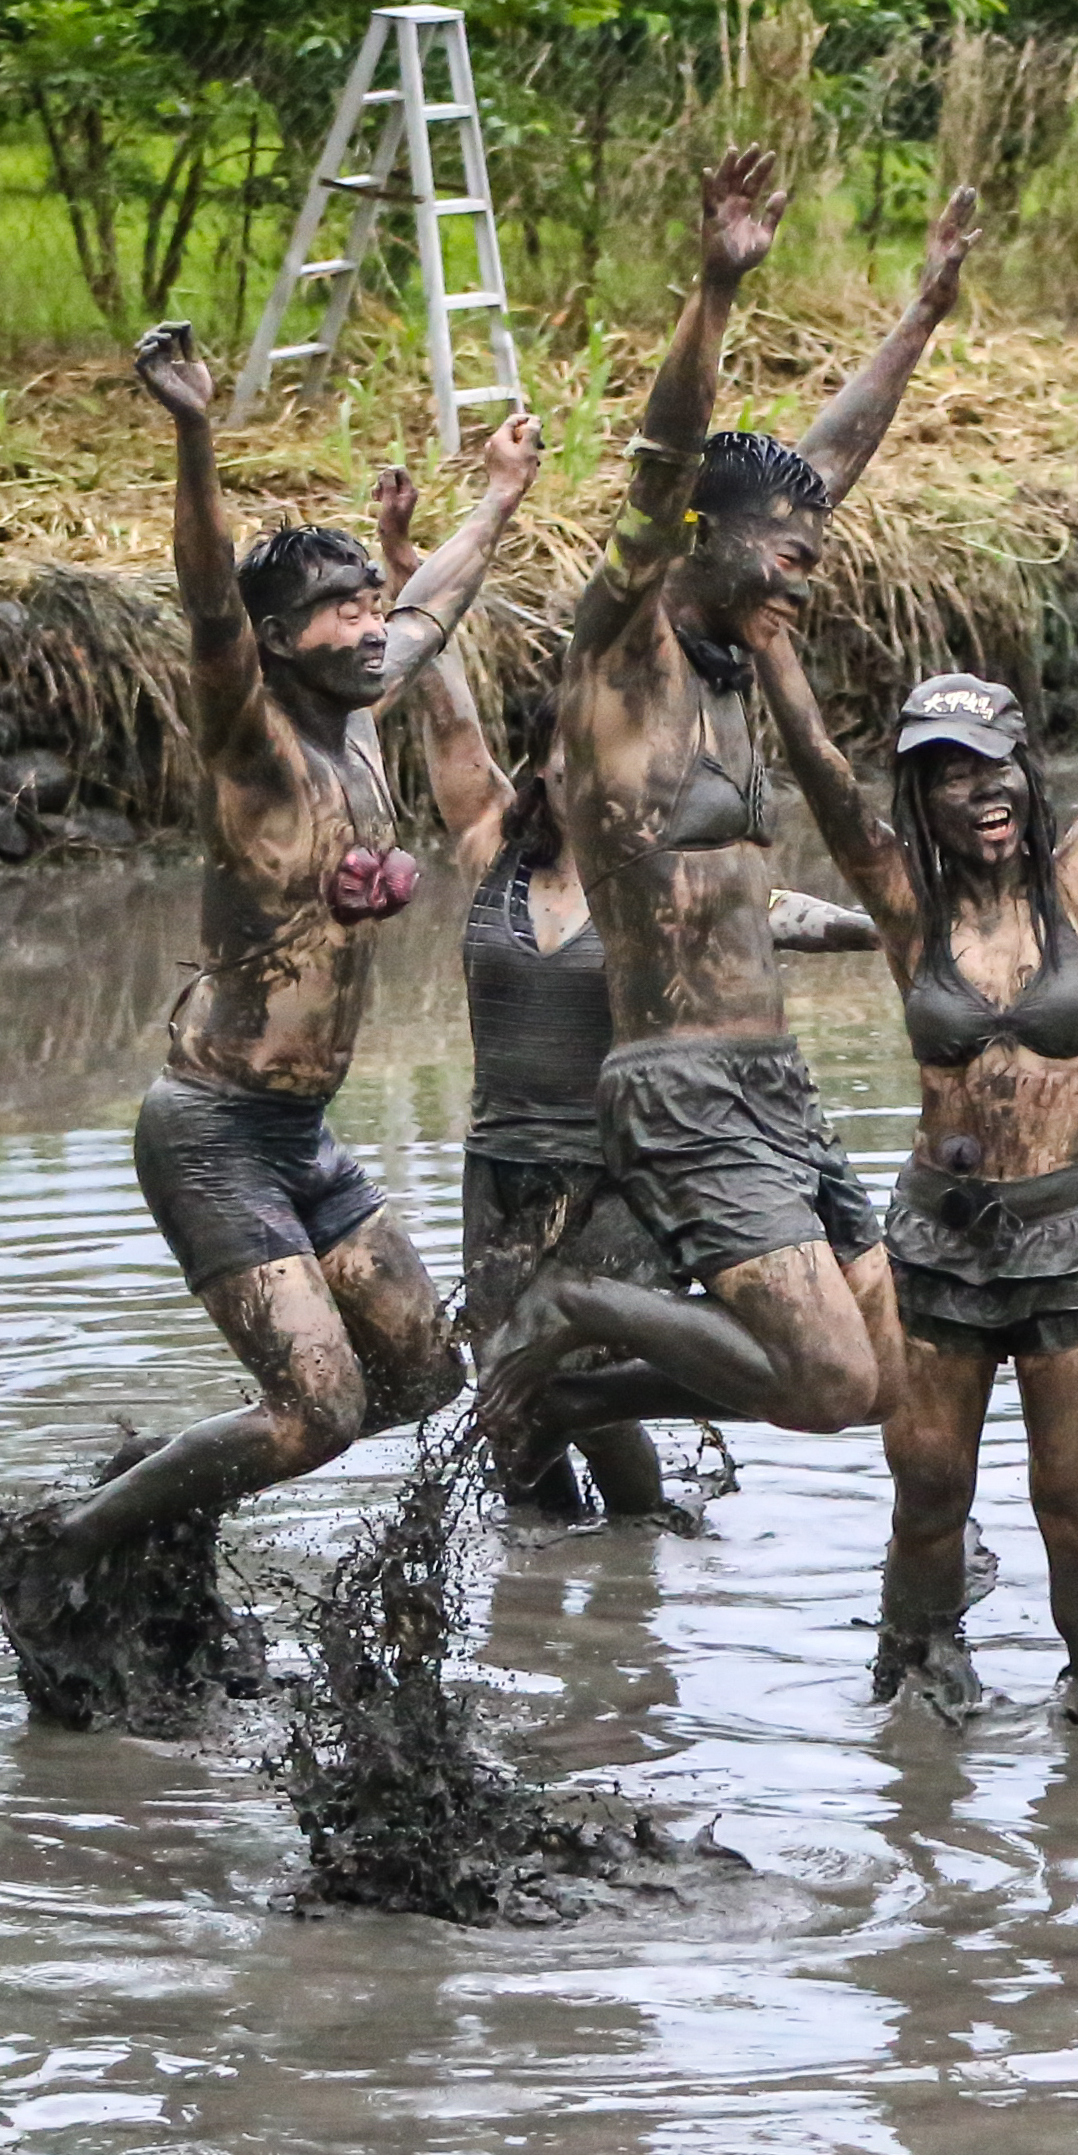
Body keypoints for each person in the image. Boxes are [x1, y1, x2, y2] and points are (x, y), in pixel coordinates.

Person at [0, 323, 547, 1711]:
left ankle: (162, 1516)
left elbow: (442, 604)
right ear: (283, 641)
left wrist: (501, 498)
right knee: (320, 1408)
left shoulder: (361, 704)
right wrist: (189, 436)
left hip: (302, 1133)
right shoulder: (255, 733)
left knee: (422, 1371)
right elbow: (203, 602)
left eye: (368, 601)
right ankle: (61, 1548)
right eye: (337, 611)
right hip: (213, 1129)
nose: (366, 624)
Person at [483, 158, 975, 1444]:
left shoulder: (736, 652)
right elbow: (661, 460)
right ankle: (574, 1306)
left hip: (776, 1077)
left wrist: (921, 315)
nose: (801, 586)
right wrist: (714, 286)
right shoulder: (624, 652)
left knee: (887, 1383)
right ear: (702, 538)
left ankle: (577, 1393)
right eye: (785, 558)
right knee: (825, 1388)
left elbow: (824, 469)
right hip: (679, 1085)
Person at [751, 465, 1078, 1722]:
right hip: (937, 1242)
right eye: (956, 772)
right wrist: (770, 649)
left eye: (1002, 763)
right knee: (926, 1494)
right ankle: (915, 1685)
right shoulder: (902, 906)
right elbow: (815, 772)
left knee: (1075, 1514)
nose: (989, 788)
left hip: (1072, 1240)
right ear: (922, 792)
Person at [368, 470, 872, 1531]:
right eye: (551, 754)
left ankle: (639, 1541)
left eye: (583, 751)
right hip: (502, 1169)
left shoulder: (654, 885)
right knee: (512, 1409)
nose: (568, 769)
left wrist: (900, 925)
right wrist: (410, 564)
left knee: (578, 1380)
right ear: (538, 766)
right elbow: (442, 705)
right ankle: (563, 1570)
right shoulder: (490, 845)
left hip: (609, 1163)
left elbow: (783, 912)